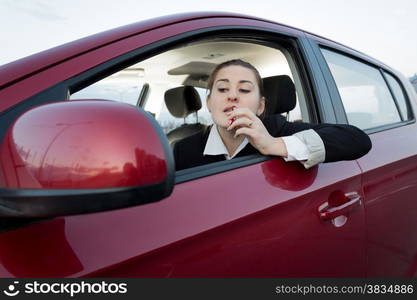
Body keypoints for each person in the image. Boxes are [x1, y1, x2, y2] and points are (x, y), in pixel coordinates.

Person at [173, 59, 371, 171]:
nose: (232, 96)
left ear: (260, 106)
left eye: (244, 90)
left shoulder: (279, 130)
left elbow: (357, 139)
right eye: (223, 89)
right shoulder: (183, 150)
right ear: (209, 102)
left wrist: (273, 144)